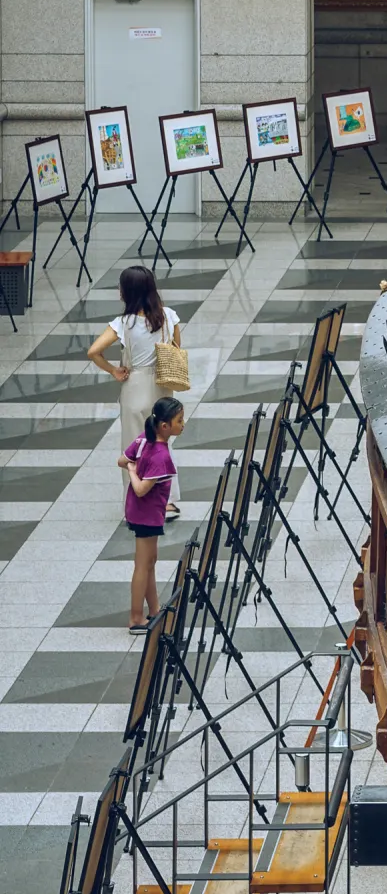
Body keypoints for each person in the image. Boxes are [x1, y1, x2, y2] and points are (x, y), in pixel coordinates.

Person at [88, 264, 186, 482]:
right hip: (162, 387)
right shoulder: (169, 317)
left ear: (127, 292)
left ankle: (137, 494)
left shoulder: (123, 323)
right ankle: (166, 495)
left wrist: (113, 370)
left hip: (134, 387)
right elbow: (176, 349)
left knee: (135, 446)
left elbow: (93, 351)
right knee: (162, 444)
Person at [120, 396, 184, 631]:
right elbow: (140, 489)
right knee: (142, 565)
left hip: (144, 513)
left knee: (150, 562)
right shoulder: (161, 456)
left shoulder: (142, 440)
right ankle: (136, 617)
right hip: (146, 515)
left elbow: (122, 458)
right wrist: (133, 470)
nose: (183, 424)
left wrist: (131, 464)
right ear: (164, 426)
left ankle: (154, 609)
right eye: (179, 420)